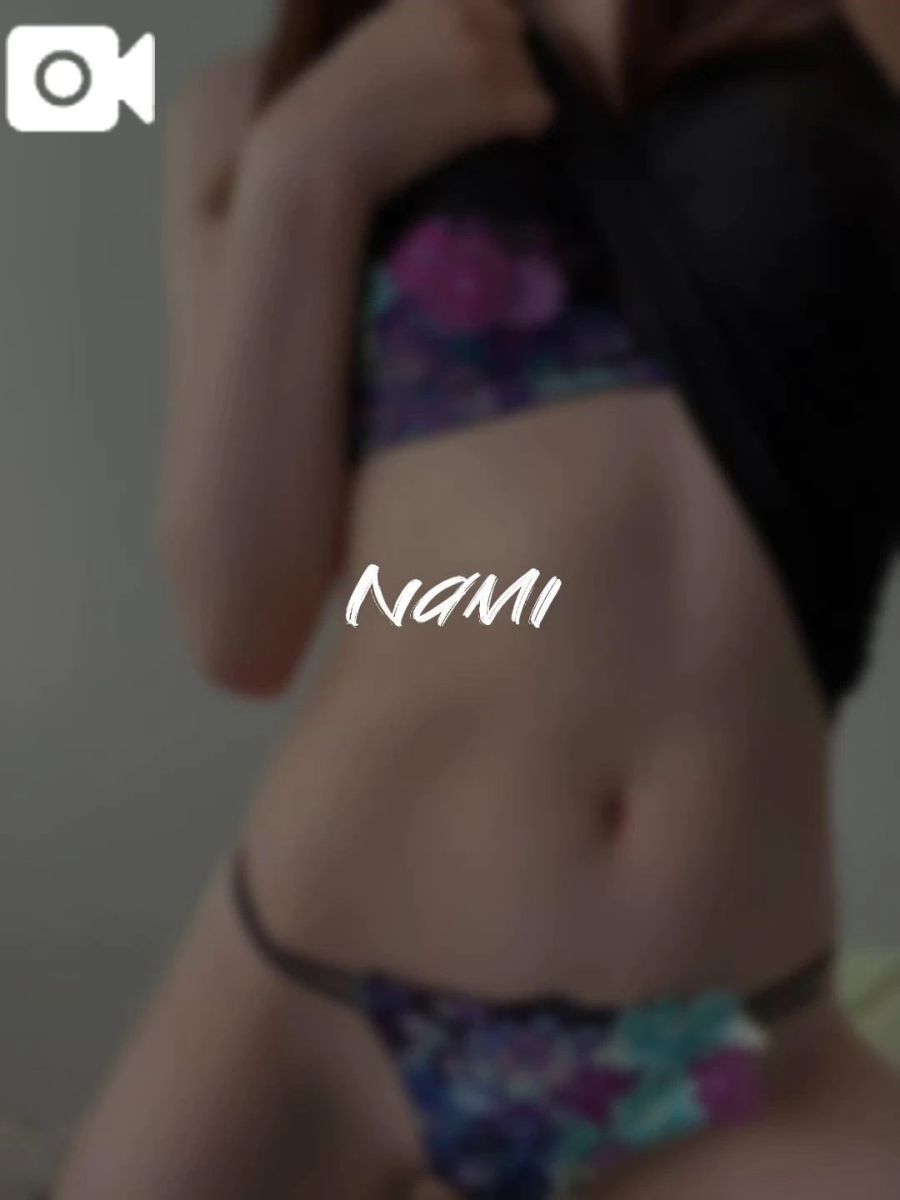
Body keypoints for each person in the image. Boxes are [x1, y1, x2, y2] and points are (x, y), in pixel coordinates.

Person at [57, 1, 900, 1197]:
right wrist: (309, 166)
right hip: (320, 1010)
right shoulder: (255, 113)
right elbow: (239, 630)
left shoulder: (857, 30)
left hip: (728, 1063)